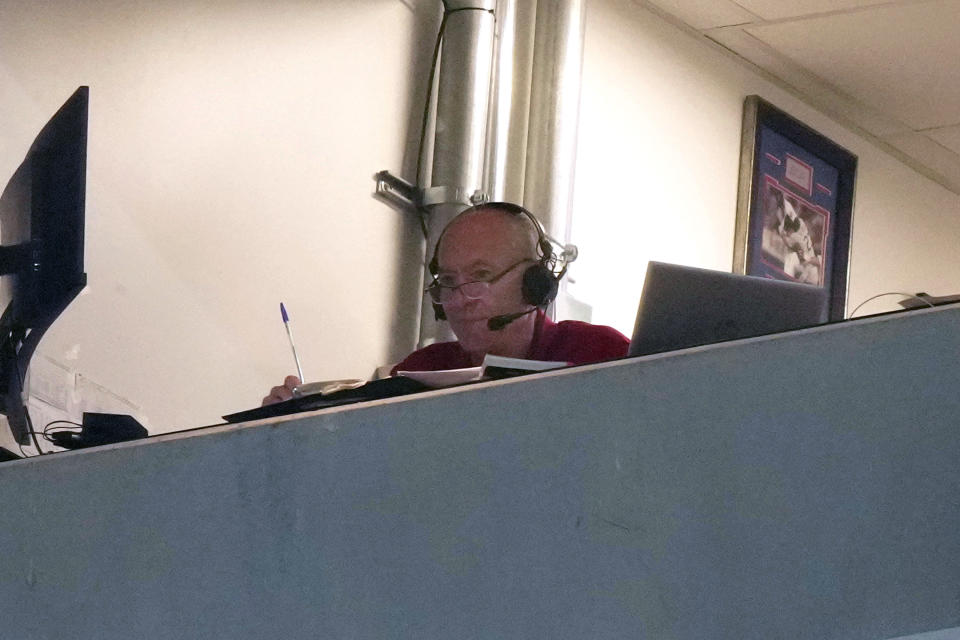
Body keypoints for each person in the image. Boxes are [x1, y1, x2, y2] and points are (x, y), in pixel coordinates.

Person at [262, 202, 629, 405]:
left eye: (481, 276)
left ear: (535, 284)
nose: (458, 300)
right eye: (449, 281)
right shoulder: (420, 372)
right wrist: (289, 424)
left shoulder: (601, 354)